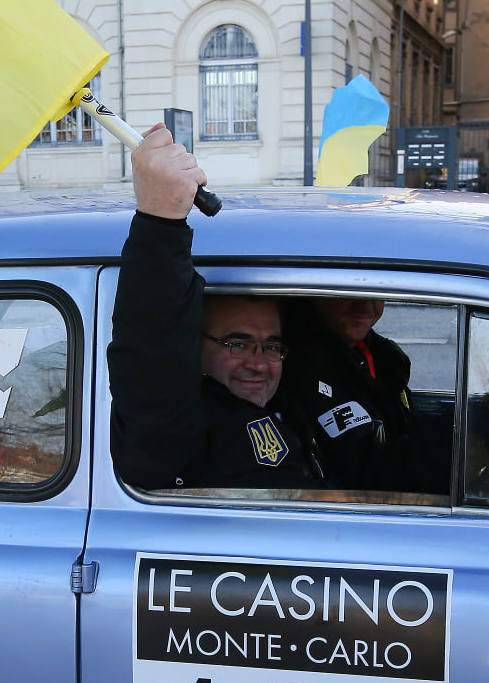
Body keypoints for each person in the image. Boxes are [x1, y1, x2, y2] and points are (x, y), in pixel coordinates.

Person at [108, 126, 326, 490]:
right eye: (237, 344)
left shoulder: (290, 406)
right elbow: (154, 352)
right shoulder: (181, 427)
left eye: (270, 346)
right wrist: (161, 221)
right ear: (195, 349)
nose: (258, 363)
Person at [283, 297, 489, 493]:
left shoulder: (370, 356)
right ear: (315, 294)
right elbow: (378, 478)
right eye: (348, 291)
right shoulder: (303, 371)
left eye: (376, 291)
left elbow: (408, 431)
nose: (366, 305)